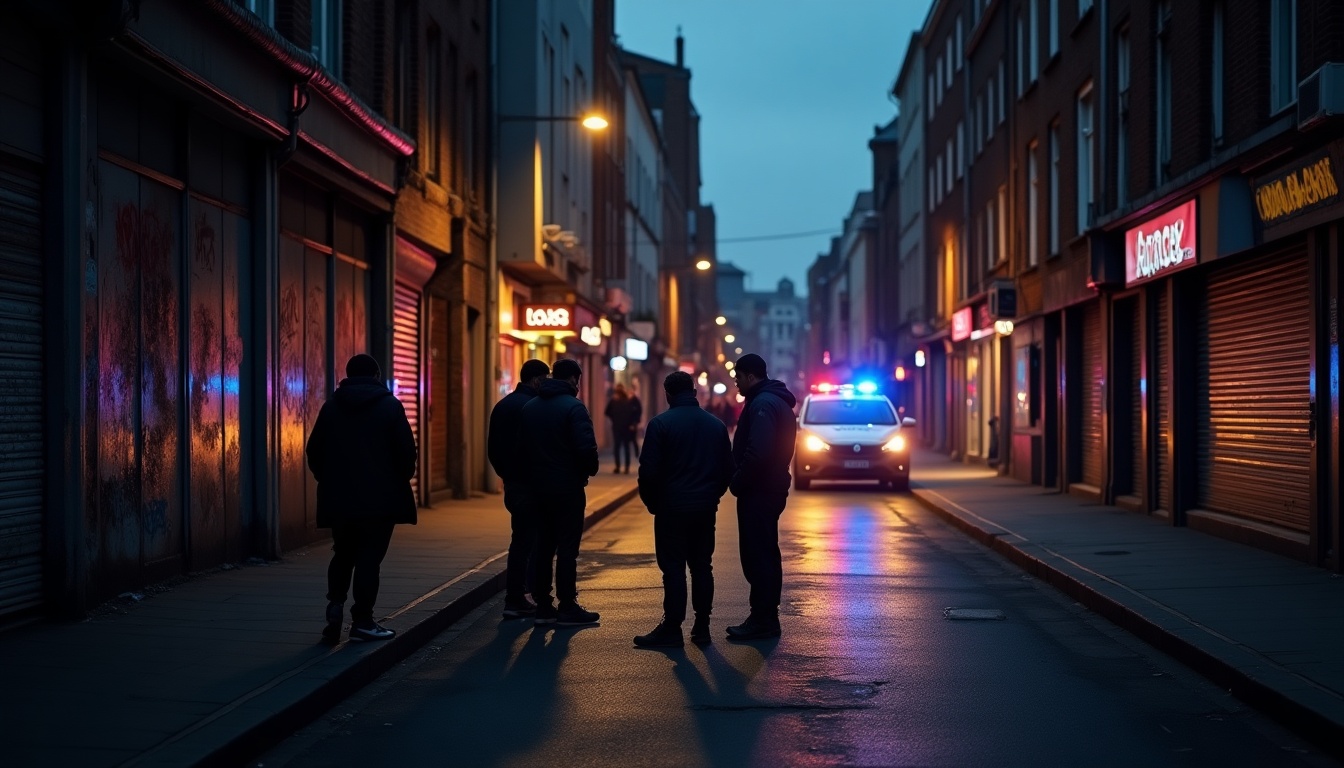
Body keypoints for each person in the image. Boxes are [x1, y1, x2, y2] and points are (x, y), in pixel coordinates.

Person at [307, 353, 418, 643]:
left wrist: (328, 480)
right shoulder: (390, 406)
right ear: (377, 375)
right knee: (369, 559)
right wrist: (398, 479)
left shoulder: (331, 408)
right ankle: (363, 621)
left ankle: (335, 604)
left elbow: (314, 451)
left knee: (342, 552)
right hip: (380, 500)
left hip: (340, 498)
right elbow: (406, 452)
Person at [633, 371, 735, 648]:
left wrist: (654, 504)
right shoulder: (715, 425)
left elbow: (648, 473)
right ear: (693, 391)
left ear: (667, 393)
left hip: (671, 508)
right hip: (703, 508)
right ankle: (702, 627)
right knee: (702, 566)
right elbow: (727, 469)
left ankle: (672, 627)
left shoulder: (660, 425)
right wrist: (713, 496)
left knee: (674, 569)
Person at [517, 358, 601, 626]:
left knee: (542, 547)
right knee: (567, 549)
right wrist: (588, 469)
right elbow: (584, 448)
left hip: (536, 489)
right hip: (566, 489)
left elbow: (520, 449)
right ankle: (567, 606)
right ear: (575, 379)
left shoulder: (529, 407)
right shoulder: (574, 408)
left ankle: (543, 606)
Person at [725, 353, 797, 641]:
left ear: (751, 376)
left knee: (758, 554)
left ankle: (763, 619)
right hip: (769, 486)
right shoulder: (770, 400)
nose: (736, 384)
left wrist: (738, 481)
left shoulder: (763, 404)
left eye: (739, 378)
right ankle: (765, 616)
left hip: (761, 488)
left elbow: (759, 451)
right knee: (765, 550)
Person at [487, 358, 550, 619]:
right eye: (545, 379)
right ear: (536, 380)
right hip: (533, 485)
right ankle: (522, 597)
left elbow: (494, 450)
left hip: (514, 484)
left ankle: (519, 596)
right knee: (532, 543)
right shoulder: (533, 407)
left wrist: (507, 475)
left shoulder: (503, 406)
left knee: (521, 540)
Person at [603, 383, 639, 473]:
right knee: (626, 447)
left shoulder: (613, 401)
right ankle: (626, 467)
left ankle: (617, 467)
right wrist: (632, 423)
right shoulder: (628, 401)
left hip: (617, 427)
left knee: (617, 447)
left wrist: (613, 418)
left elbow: (607, 412)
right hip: (626, 427)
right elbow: (633, 413)